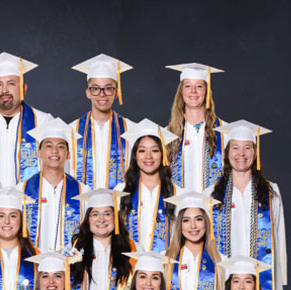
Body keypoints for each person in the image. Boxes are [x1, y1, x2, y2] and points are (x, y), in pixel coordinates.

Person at [208, 120, 287, 290]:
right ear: (227, 153)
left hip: (263, 278)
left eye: (247, 148)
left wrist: (280, 277)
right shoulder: (212, 194)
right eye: (235, 147)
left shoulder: (271, 192)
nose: (241, 154)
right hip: (225, 277)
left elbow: (279, 238)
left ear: (255, 153)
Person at [0, 52, 53, 187]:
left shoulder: (44, 123)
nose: (4, 90)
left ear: (24, 89)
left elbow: (58, 172)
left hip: (31, 204)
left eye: (11, 84)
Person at [69, 54, 134, 190]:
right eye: (95, 88)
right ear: (88, 93)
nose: (102, 94)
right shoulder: (70, 131)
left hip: (119, 206)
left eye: (108, 88)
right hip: (81, 207)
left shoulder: (132, 130)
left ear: (116, 93)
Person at [20, 118, 87, 251]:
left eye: (60, 146)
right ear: (38, 153)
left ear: (68, 155)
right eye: (49, 146)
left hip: (70, 266)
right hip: (33, 265)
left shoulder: (83, 191)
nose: (55, 151)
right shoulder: (21, 190)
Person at [69, 188, 135, 290]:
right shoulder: (73, 251)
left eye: (107, 213)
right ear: (88, 219)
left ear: (114, 218)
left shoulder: (132, 250)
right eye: (95, 214)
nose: (101, 219)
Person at [117, 119, 180, 253]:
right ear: (135, 155)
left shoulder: (178, 193)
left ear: (162, 154)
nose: (148, 157)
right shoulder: (120, 191)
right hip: (129, 268)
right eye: (142, 151)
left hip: (166, 267)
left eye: (155, 150)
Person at [164, 191, 224, 290]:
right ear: (180, 225)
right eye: (186, 220)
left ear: (206, 223)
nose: (193, 226)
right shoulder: (166, 259)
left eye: (198, 219)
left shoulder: (220, 261)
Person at [165, 63, 225, 191]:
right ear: (181, 91)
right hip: (179, 208)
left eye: (199, 86)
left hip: (213, 208)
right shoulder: (167, 135)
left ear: (207, 92)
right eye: (188, 86)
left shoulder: (224, 132)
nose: (193, 91)